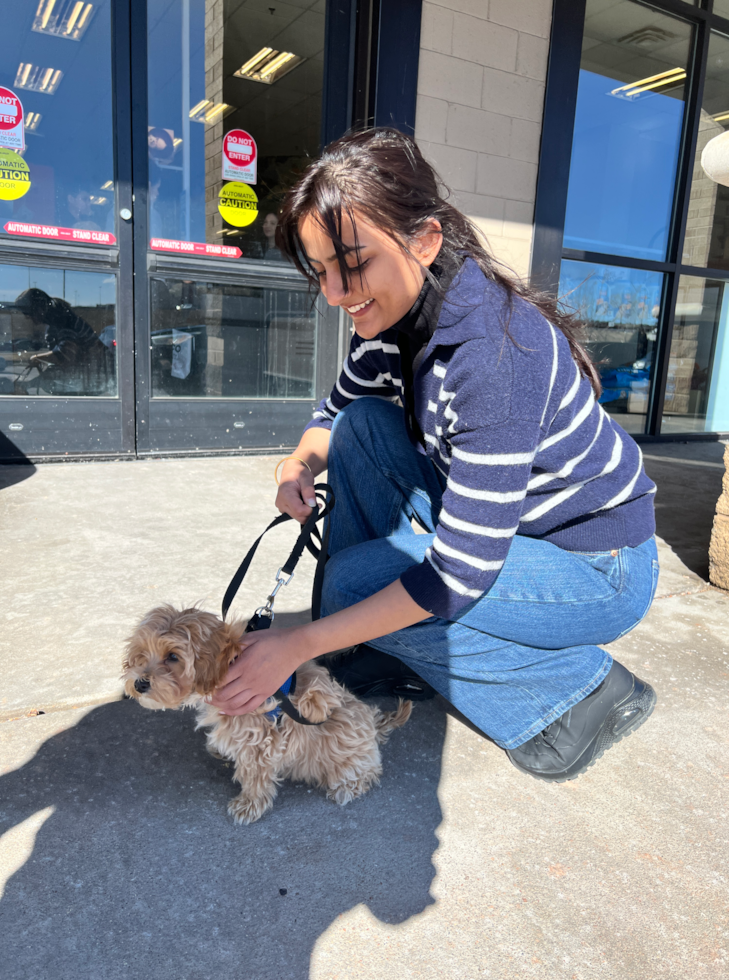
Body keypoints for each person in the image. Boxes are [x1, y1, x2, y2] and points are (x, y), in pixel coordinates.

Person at [210, 129, 659, 783]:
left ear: (422, 240)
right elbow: (333, 417)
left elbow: (459, 573)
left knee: (354, 586)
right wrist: (298, 467)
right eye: (321, 272)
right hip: (511, 535)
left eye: (351, 263)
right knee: (363, 425)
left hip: (594, 567)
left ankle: (578, 691)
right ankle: (381, 646)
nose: (335, 293)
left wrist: (299, 642)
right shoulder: (391, 320)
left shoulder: (494, 353)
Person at [16, 288, 114, 395]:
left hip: (95, 379)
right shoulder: (58, 323)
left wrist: (36, 358)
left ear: (39, 309)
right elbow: (61, 365)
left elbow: (65, 356)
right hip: (89, 379)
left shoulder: (64, 322)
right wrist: (29, 384)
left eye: (29, 314)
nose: (28, 318)